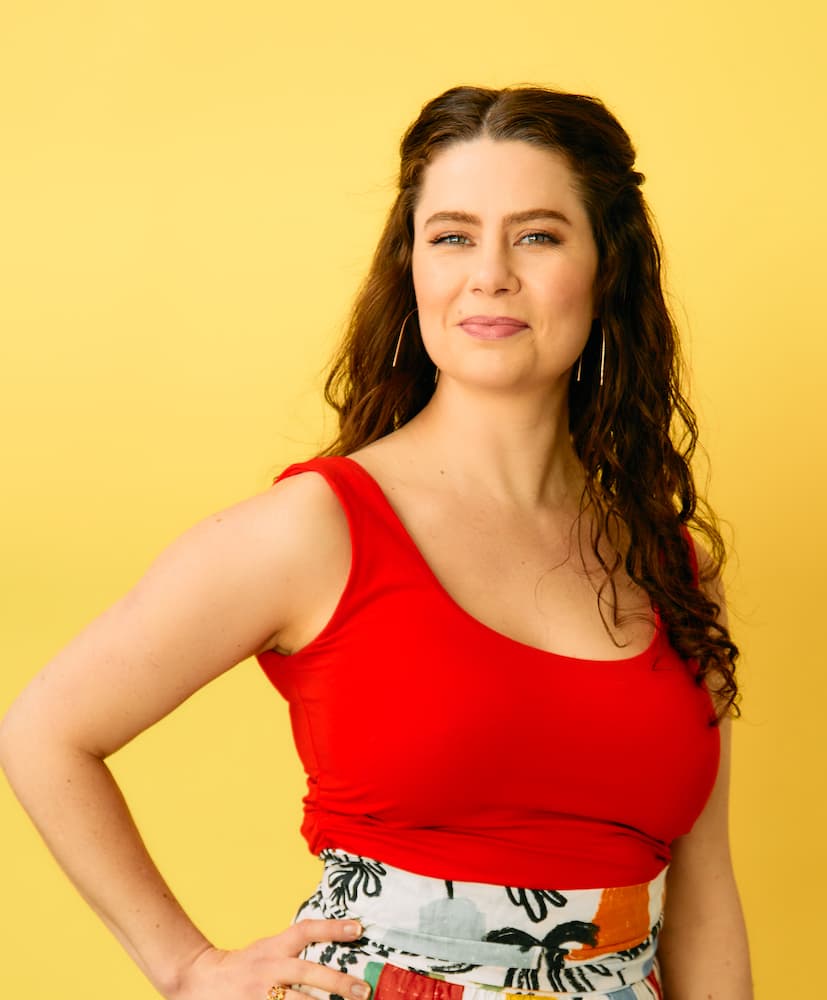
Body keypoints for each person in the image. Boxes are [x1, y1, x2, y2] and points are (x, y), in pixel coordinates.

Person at [0, 85, 752, 1000]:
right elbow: (45, 732)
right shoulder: (318, 527)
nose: (490, 274)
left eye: (538, 235)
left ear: (607, 270)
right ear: (413, 269)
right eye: (452, 236)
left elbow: (704, 897)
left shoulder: (674, 568)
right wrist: (188, 967)